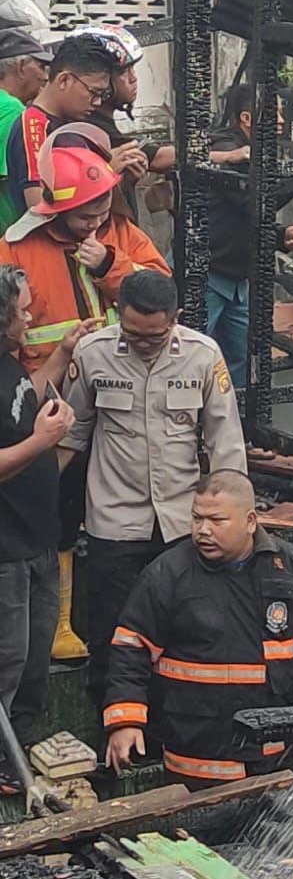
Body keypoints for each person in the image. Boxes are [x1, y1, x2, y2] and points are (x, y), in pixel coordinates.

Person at [103, 470, 293, 788]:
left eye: (217, 521)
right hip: (198, 754)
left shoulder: (286, 565)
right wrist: (125, 722)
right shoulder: (167, 574)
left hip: (276, 753)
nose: (203, 530)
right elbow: (130, 650)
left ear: (250, 521)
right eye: (197, 518)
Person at [58, 270, 248, 704]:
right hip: (115, 519)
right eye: (133, 334)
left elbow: (226, 443)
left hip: (181, 522)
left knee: (185, 628)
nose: (143, 344)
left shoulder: (203, 356)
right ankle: (116, 730)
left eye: (154, 336)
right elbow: (71, 432)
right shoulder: (93, 353)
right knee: (114, 632)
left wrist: (235, 522)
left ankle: (172, 726)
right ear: (119, 317)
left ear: (175, 319)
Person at [0, 266, 79, 791]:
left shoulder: (8, 364)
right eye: (22, 309)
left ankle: (17, 760)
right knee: (8, 659)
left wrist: (65, 355)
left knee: (33, 665)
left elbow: (20, 399)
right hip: (5, 549)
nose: (30, 315)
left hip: (39, 537)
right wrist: (42, 440)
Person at [0, 129, 169, 373]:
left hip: (121, 371)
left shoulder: (121, 230)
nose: (96, 223)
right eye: (85, 217)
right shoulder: (16, 248)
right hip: (49, 380)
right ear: (56, 210)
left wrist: (109, 265)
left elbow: (161, 293)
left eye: (103, 212)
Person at [206, 84, 293, 390]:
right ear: (247, 118)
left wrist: (279, 235)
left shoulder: (257, 152)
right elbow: (254, 202)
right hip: (208, 273)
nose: (281, 119)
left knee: (241, 359)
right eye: (274, 111)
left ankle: (233, 428)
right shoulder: (230, 150)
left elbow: (242, 215)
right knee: (194, 355)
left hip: (237, 276)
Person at [2, 35, 144, 228]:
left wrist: (124, 179)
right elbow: (38, 207)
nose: (97, 102)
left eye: (103, 95)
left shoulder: (76, 125)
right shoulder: (34, 126)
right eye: (93, 92)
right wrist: (103, 173)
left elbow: (97, 208)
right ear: (64, 80)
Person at [67, 25, 175, 225]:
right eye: (125, 73)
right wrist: (226, 155)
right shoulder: (89, 128)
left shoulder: (100, 122)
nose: (134, 79)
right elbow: (157, 157)